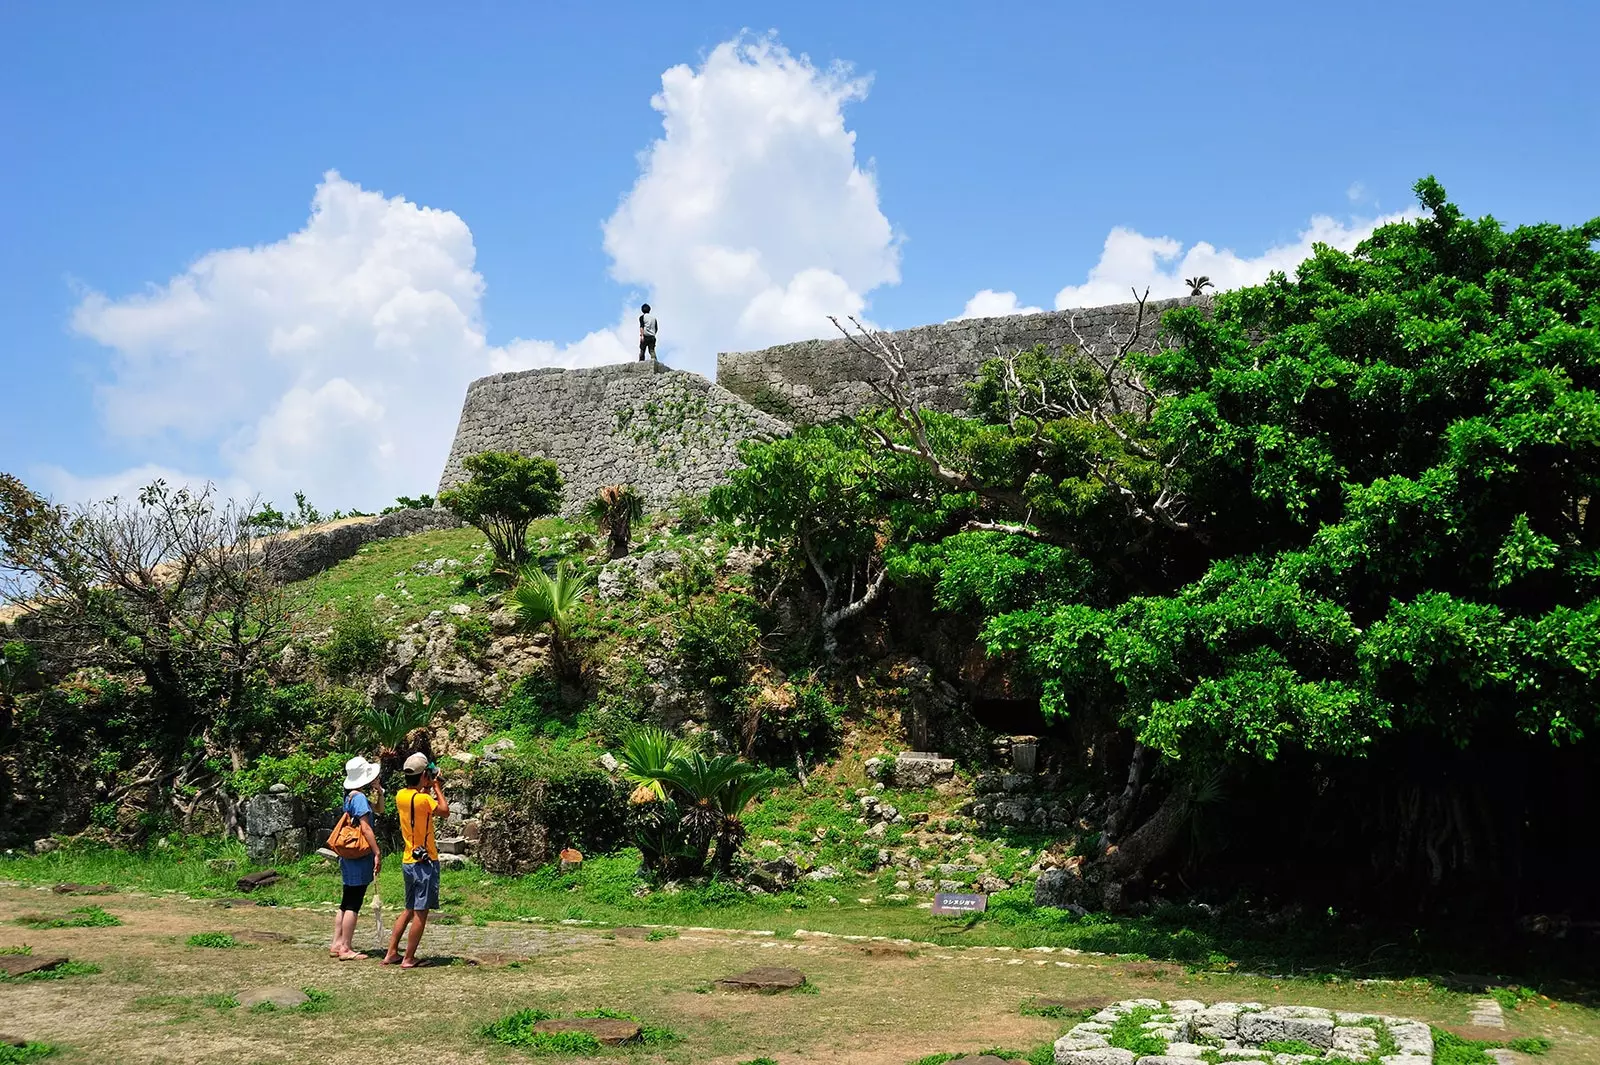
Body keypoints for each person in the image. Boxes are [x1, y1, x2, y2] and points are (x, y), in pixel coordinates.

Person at [383, 752, 448, 968]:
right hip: (425, 861)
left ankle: (392, 952)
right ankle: (409, 958)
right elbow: (444, 811)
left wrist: (426, 785)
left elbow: (418, 802)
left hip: (408, 859)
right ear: (423, 777)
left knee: (409, 908)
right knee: (421, 911)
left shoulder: (401, 796)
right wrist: (436, 786)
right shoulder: (425, 799)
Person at [330, 756, 382, 960]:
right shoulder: (359, 799)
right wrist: (376, 851)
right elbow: (366, 828)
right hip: (360, 856)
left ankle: (337, 943)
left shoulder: (351, 796)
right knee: (354, 902)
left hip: (348, 856)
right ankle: (346, 947)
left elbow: (379, 809)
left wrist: (379, 792)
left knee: (346, 900)